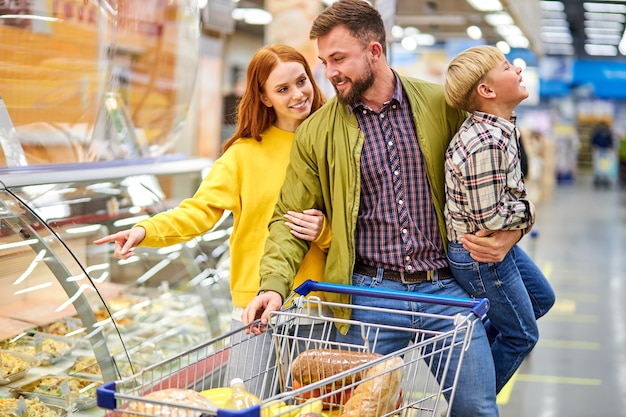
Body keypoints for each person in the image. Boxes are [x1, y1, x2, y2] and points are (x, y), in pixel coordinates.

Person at [243, 1, 526, 415]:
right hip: (369, 295)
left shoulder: (440, 105)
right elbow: (289, 221)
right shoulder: (317, 132)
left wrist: (514, 232)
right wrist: (272, 286)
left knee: (477, 408)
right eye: (324, 61)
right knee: (355, 410)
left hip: (446, 290)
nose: (330, 72)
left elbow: (496, 172)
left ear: (375, 51)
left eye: (339, 58)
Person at [94, 44, 329, 397]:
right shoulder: (243, 154)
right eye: (282, 89)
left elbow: (356, 220)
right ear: (263, 97)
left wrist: (324, 232)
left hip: (320, 304)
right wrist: (146, 229)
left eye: (302, 81)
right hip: (255, 305)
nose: (298, 94)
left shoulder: (331, 143)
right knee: (247, 401)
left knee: (315, 405)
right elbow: (199, 211)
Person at [443, 45, 555, 394]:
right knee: (522, 335)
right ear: (487, 91)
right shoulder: (487, 141)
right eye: (508, 67)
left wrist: (521, 216)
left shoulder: (499, 130)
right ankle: (471, 401)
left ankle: (472, 367)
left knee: (542, 299)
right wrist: (528, 213)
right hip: (481, 254)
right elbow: (491, 217)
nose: (518, 71)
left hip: (493, 247)